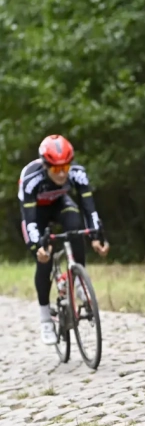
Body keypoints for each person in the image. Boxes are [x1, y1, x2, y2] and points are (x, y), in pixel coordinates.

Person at [18, 135, 110, 345]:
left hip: (60, 204)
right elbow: (29, 221)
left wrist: (96, 235)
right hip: (36, 213)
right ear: (45, 165)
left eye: (65, 167)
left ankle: (78, 280)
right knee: (44, 258)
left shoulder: (77, 173)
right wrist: (36, 246)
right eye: (55, 169)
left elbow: (89, 207)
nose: (61, 173)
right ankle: (45, 319)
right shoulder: (31, 178)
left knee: (75, 226)